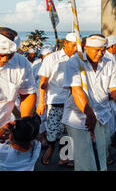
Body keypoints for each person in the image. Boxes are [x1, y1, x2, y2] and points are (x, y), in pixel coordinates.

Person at [62, 34, 116, 171]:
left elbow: (114, 88)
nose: (100, 53)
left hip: (102, 115)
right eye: (96, 50)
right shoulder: (75, 62)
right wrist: (88, 113)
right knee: (86, 160)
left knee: (102, 154)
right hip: (79, 117)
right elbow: (76, 90)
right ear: (86, 47)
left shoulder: (108, 63)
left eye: (103, 49)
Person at [36, 33, 76, 166]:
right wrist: (41, 102)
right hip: (55, 101)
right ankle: (50, 150)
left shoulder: (78, 59)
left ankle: (65, 157)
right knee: (53, 132)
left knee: (69, 130)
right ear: (65, 43)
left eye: (78, 45)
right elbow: (43, 81)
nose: (76, 48)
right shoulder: (52, 58)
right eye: (73, 45)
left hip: (72, 101)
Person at [0, 27, 36, 128]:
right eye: (1, 55)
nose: (4, 60)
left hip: (6, 126)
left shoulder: (22, 63)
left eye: (9, 55)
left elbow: (28, 94)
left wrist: (24, 123)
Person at [31, 46, 53, 149]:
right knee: (41, 117)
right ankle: (43, 138)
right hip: (40, 96)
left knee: (51, 118)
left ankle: (51, 138)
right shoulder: (36, 66)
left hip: (53, 96)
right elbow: (32, 82)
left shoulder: (56, 65)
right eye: (44, 56)